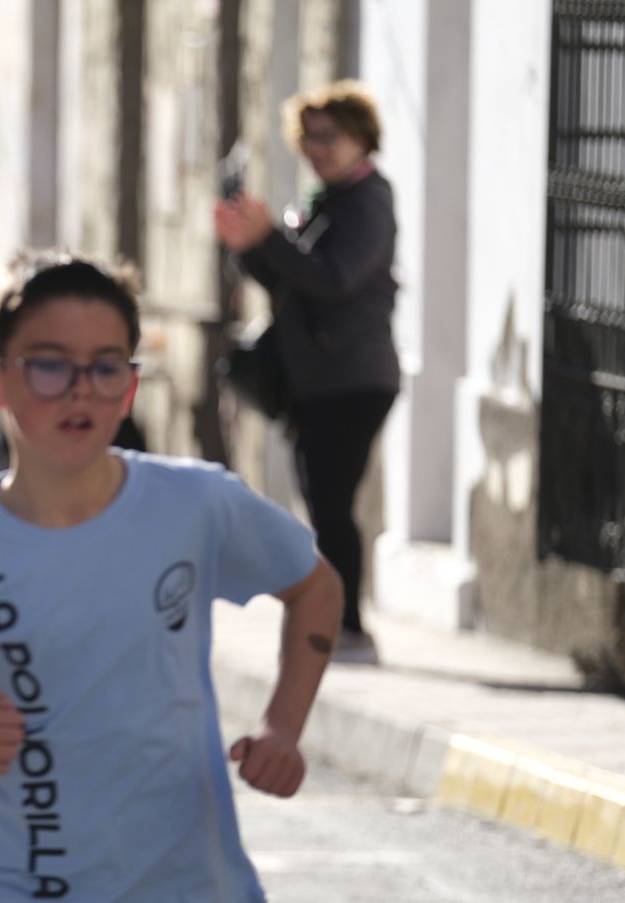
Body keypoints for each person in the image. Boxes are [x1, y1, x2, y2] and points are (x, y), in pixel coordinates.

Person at [0, 252, 343, 901]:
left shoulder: (196, 505)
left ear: (131, 385)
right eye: (48, 363)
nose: (80, 387)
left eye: (105, 365)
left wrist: (283, 729)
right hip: (15, 879)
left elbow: (314, 586)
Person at [213, 79, 399, 664]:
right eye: (310, 137)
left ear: (361, 139)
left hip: (354, 379)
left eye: (331, 137)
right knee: (319, 502)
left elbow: (333, 278)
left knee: (331, 502)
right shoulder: (325, 200)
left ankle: (349, 626)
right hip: (317, 382)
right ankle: (335, 619)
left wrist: (269, 237)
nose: (318, 148)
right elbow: (291, 286)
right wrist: (250, 246)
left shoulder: (368, 202)